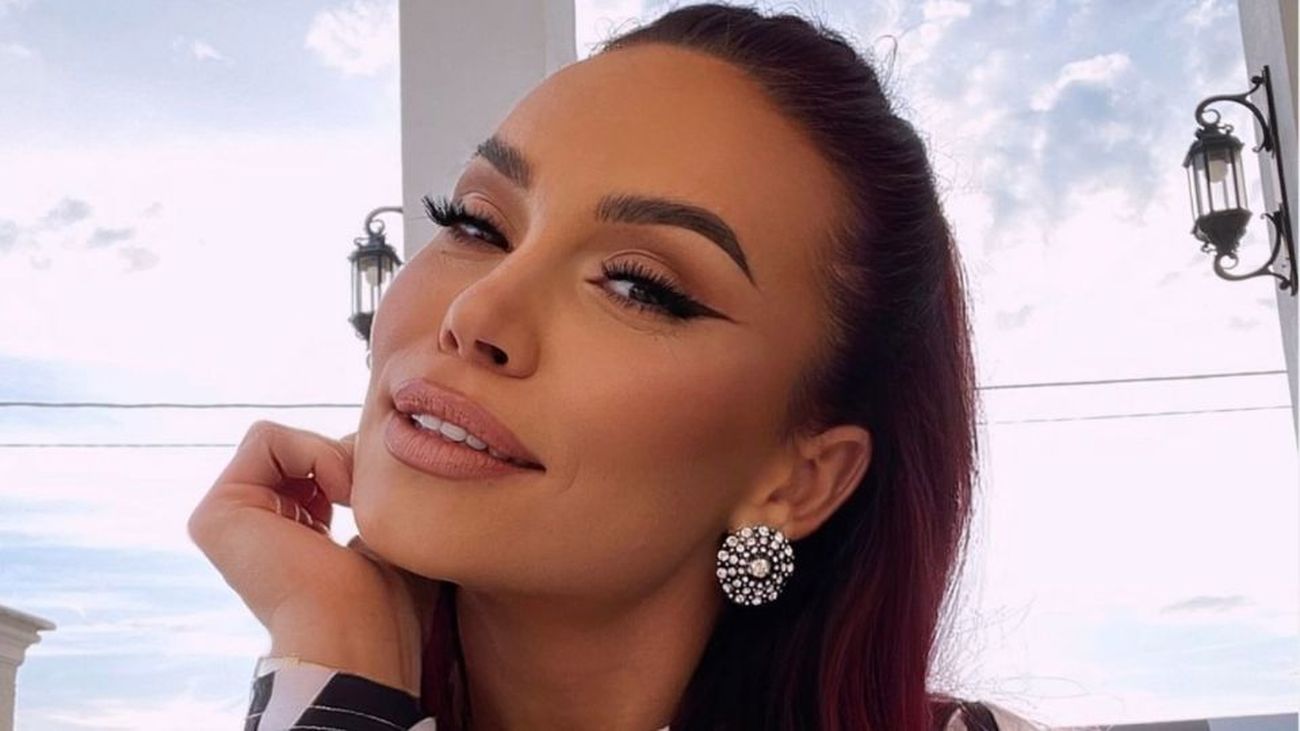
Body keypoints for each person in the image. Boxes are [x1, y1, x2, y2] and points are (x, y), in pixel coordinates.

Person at [189, 4, 1044, 729]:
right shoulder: (325, 655)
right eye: (477, 223)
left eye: (639, 286)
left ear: (799, 480)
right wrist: (338, 645)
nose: (475, 312)